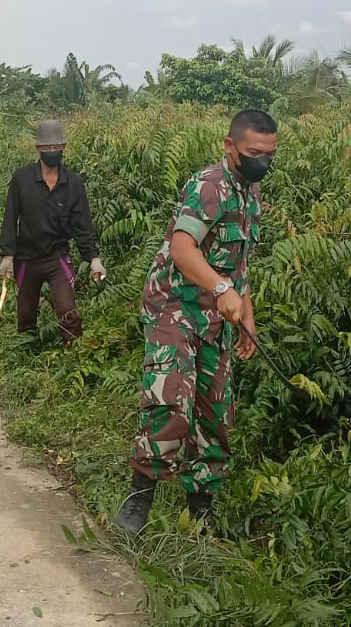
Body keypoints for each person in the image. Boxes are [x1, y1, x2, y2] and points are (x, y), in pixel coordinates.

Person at [115, 109, 277, 534]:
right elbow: (183, 249)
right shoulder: (210, 186)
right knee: (171, 399)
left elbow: (239, 267)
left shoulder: (251, 193)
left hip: (217, 315)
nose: (262, 160)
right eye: (253, 152)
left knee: (215, 412)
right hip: (174, 306)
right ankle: (139, 497)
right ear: (230, 146)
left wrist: (247, 314)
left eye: (269, 153)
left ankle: (201, 506)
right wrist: (221, 290)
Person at [0, 119, 106, 344]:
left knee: (69, 312)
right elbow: (10, 217)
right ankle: (25, 355)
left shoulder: (73, 183)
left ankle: (73, 355)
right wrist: (7, 256)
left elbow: (83, 225)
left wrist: (93, 259)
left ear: (63, 148)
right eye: (46, 148)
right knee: (26, 315)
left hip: (57, 256)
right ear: (38, 149)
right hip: (27, 256)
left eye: (55, 147)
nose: (51, 152)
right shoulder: (22, 178)